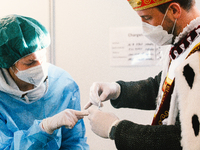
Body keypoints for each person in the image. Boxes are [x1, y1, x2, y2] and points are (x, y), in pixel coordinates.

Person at [84, 0, 200, 149]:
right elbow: (163, 88)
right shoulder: (186, 44)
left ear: (174, 11)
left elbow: (183, 138)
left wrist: (117, 129)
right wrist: (118, 90)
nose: (144, 26)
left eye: (147, 18)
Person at [0, 14, 89, 150]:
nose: (40, 67)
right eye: (30, 62)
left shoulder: (63, 84)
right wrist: (43, 129)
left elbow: (74, 142)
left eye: (43, 58)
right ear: (7, 63)